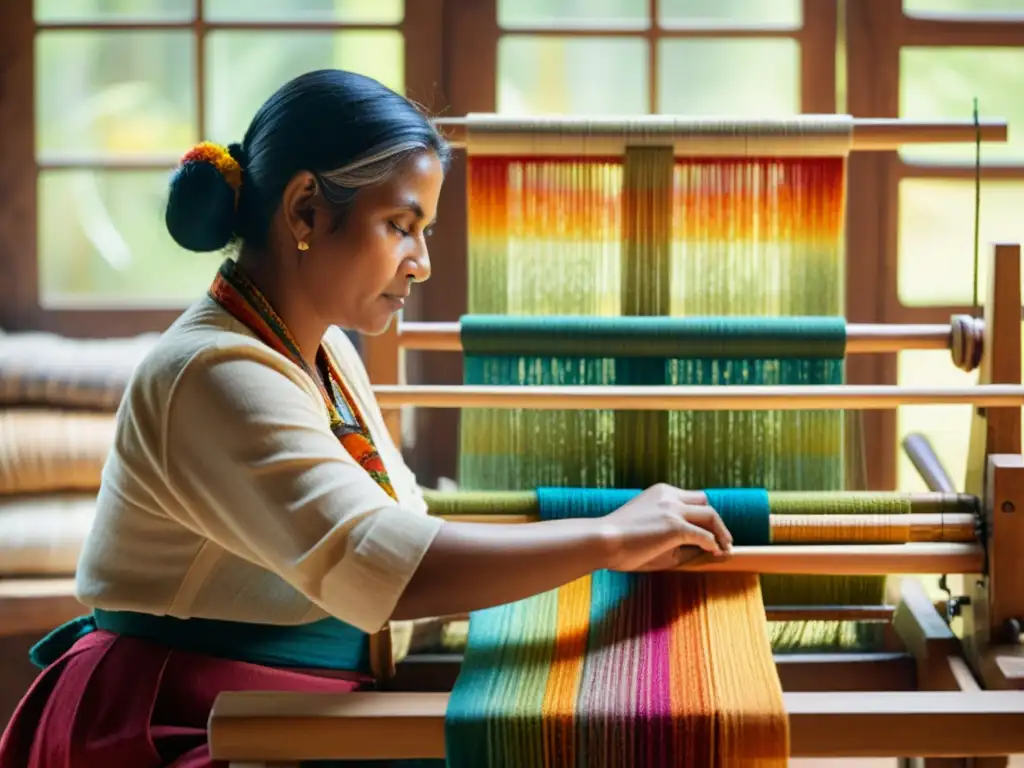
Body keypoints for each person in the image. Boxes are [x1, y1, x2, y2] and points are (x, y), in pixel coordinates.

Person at [0, 69, 732, 767]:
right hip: (173, 723)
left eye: (425, 231)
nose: (422, 263)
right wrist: (606, 539)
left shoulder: (317, 352)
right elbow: (385, 562)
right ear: (305, 211)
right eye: (400, 225)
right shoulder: (215, 375)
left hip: (275, 711)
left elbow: (400, 523)